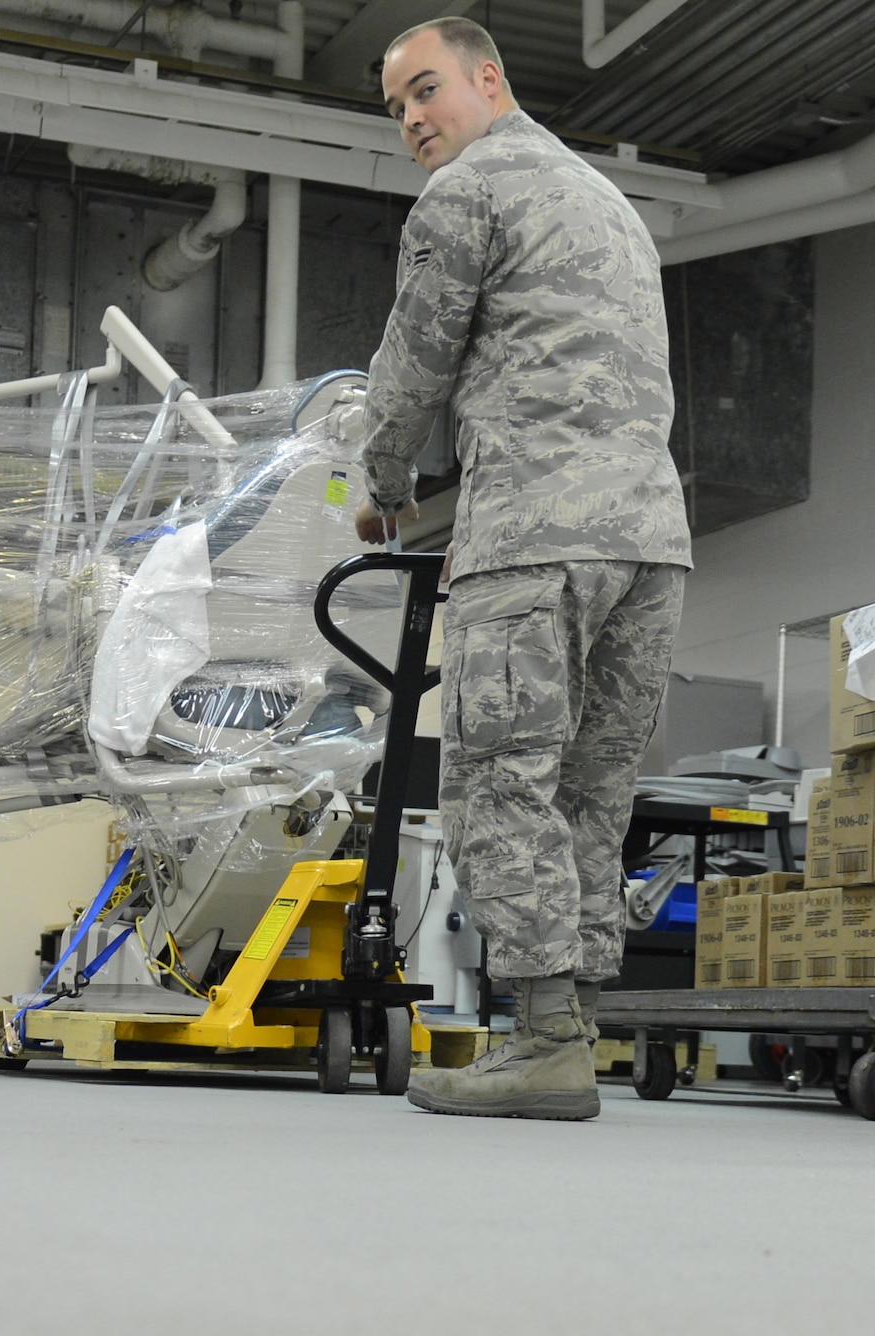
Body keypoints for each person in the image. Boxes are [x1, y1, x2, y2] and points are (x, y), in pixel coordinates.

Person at [354, 17, 692, 1120]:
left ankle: (541, 1042)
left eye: (424, 90)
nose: (410, 119)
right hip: (646, 544)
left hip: (534, 538)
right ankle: (571, 1029)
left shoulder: (464, 192)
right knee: (587, 795)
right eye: (395, 105)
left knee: (498, 782)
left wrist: (381, 483)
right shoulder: (607, 204)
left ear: (485, 79)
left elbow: (414, 357)